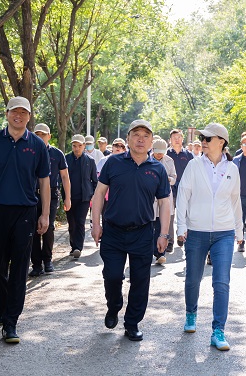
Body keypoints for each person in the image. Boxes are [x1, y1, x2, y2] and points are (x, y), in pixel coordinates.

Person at [0, 96, 50, 344]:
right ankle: (3, 305)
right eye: (14, 111)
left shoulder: (37, 145)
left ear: (29, 117)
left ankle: (11, 321)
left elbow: (44, 181)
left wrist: (45, 214)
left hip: (25, 213)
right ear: (6, 114)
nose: (19, 116)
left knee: (19, 267)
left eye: (23, 112)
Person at [91, 119, 171, 342]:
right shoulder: (113, 162)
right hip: (113, 232)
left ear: (151, 142)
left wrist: (164, 234)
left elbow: (164, 203)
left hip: (143, 232)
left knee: (140, 280)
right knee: (112, 275)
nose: (140, 139)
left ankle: (132, 323)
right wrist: (95, 224)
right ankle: (114, 305)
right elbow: (99, 194)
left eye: (146, 136)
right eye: (136, 134)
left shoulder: (157, 169)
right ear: (128, 139)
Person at [176, 123, 243, 351]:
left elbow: (235, 200)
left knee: (221, 282)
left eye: (208, 138)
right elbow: (183, 195)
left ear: (221, 142)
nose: (203, 141)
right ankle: (191, 313)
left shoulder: (232, 168)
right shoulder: (194, 165)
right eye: (202, 138)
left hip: (224, 233)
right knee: (193, 278)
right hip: (196, 232)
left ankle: (218, 331)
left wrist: (239, 230)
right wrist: (181, 226)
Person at [29, 123, 72, 276]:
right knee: (33, 229)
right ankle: (36, 264)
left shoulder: (57, 153)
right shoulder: (28, 151)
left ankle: (47, 260)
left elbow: (65, 177)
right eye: (37, 135)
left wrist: (68, 198)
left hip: (52, 195)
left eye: (43, 134)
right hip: (32, 195)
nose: (40, 137)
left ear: (49, 136)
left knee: (49, 227)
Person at [65, 134, 98, 259]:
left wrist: (93, 195)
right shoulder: (66, 159)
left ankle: (78, 247)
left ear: (84, 146)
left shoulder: (90, 161)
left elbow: (95, 180)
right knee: (71, 223)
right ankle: (73, 245)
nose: (77, 148)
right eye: (74, 146)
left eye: (79, 145)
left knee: (80, 222)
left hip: (84, 198)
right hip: (69, 197)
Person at [166, 128, 194, 252]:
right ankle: (170, 241)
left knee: (185, 214)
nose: (177, 140)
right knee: (169, 216)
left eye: (179, 137)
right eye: (174, 138)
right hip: (170, 188)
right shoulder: (166, 154)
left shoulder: (188, 155)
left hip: (185, 188)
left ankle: (182, 235)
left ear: (182, 139)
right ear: (170, 140)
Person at [151, 138, 177, 265]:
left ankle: (160, 253)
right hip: (150, 196)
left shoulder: (169, 160)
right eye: (157, 152)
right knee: (150, 225)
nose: (159, 155)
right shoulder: (147, 159)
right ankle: (151, 251)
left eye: (162, 153)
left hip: (165, 195)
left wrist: (168, 179)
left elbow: (174, 177)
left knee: (162, 225)